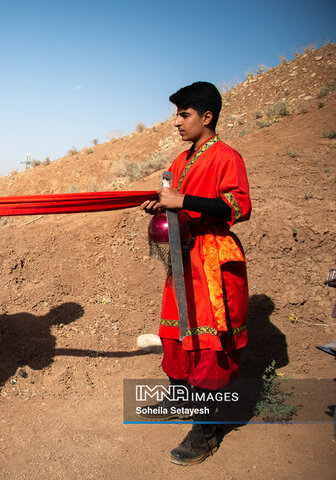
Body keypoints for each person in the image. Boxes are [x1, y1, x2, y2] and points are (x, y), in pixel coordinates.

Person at [140, 81, 251, 465]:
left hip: (214, 262)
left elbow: (238, 207)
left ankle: (207, 429)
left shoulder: (226, 157)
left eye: (183, 114)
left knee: (210, 343)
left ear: (207, 117)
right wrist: (160, 206)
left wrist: (182, 200)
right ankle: (181, 395)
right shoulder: (179, 161)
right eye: (176, 114)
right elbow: (173, 202)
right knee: (176, 332)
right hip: (183, 259)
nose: (176, 122)